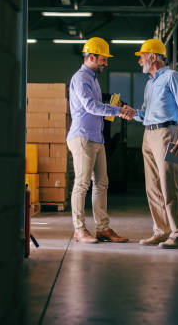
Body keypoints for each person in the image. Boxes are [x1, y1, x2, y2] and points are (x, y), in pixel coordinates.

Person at [67, 37, 136, 244]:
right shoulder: (81, 79)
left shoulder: (94, 80)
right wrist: (118, 111)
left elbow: (98, 108)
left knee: (102, 184)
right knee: (82, 184)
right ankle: (79, 229)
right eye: (103, 59)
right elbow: (90, 106)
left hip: (96, 138)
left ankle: (103, 229)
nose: (106, 63)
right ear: (91, 57)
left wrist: (116, 108)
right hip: (82, 137)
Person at [131, 39, 178, 248]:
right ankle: (161, 230)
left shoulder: (171, 77)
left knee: (168, 184)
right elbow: (148, 113)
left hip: (167, 133)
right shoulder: (150, 83)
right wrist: (134, 114)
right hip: (148, 135)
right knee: (153, 187)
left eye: (142, 56)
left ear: (153, 57)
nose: (140, 60)